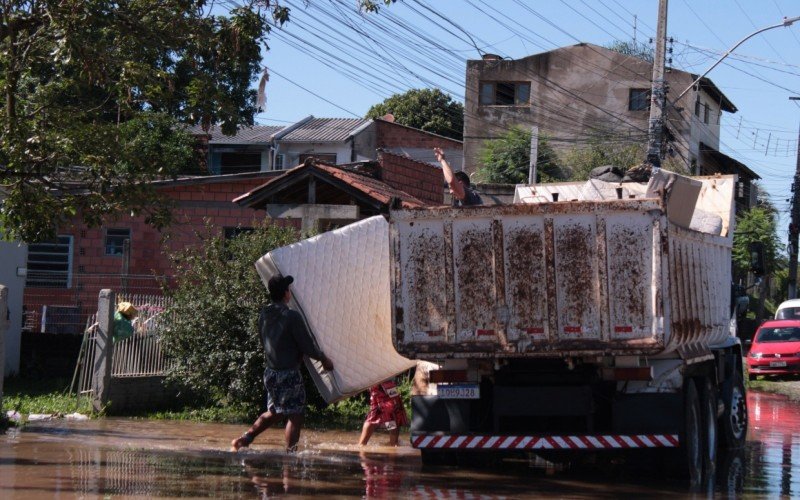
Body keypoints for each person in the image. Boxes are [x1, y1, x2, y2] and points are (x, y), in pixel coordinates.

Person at [231, 274, 334, 453]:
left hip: (271, 372)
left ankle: (245, 439)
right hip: (288, 373)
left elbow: (265, 341)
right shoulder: (291, 316)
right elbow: (307, 345)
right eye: (289, 289)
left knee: (275, 411)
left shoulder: (264, 314)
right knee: (296, 415)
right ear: (286, 293)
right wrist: (324, 359)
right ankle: (290, 454)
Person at [358, 378, 408, 447]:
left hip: (378, 381)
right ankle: (394, 445)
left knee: (379, 413)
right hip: (384, 381)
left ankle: (362, 444)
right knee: (392, 411)